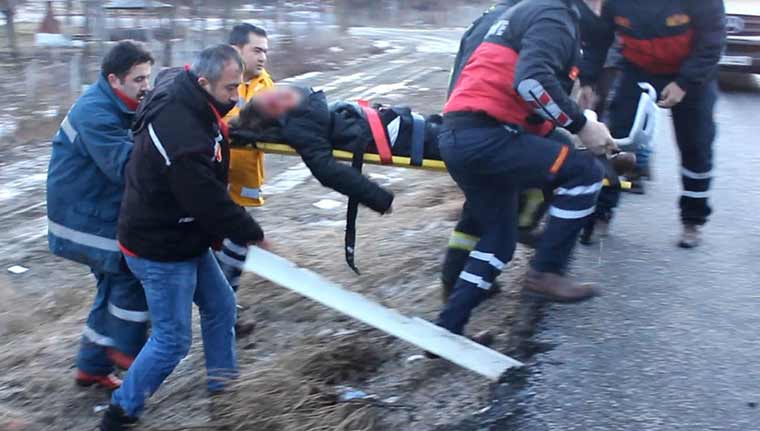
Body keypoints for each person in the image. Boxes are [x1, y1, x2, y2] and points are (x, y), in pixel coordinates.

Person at [100, 45, 265, 430]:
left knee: (221, 304)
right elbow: (208, 200)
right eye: (229, 89)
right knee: (173, 340)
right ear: (203, 82)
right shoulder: (182, 135)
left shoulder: (187, 87)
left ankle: (223, 385)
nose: (236, 97)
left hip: (184, 232)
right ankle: (120, 412)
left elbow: (171, 73)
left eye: (239, 86)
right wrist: (253, 234)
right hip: (159, 246)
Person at [434, 0, 614, 339]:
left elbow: (521, 97)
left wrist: (586, 136)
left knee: (500, 241)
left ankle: (447, 329)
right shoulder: (555, 15)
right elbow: (531, 82)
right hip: (488, 135)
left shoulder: (523, 11)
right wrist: (582, 126)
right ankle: (545, 271)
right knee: (585, 173)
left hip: (462, 135)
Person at [47, 40, 154, 390]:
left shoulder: (121, 104)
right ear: (114, 80)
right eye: (138, 80)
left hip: (96, 209)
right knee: (129, 269)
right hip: (80, 218)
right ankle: (127, 350)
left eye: (148, 78)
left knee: (109, 286)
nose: (146, 86)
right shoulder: (95, 113)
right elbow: (126, 167)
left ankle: (91, 367)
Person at [580, 0, 726, 248]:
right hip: (638, 70)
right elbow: (598, 40)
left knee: (696, 146)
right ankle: (601, 213)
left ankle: (692, 221)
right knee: (616, 141)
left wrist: (683, 83)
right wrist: (588, 80)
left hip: (692, 75)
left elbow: (712, 42)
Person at [213, 24, 274, 336]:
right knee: (208, 255)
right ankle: (221, 313)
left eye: (265, 50)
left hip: (245, 185)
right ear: (237, 50)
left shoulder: (267, 85)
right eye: (257, 50)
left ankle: (226, 311)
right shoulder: (216, 81)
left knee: (236, 253)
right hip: (212, 184)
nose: (264, 56)